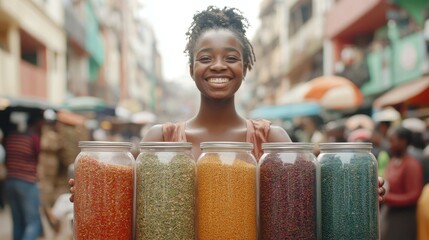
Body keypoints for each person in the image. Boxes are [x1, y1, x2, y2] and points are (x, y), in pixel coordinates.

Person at [69, 5, 385, 202]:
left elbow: (300, 205)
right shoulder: (159, 140)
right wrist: (96, 190)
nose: (218, 66)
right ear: (191, 68)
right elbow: (130, 206)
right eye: (205, 58)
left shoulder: (270, 140)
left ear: (246, 66)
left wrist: (354, 188)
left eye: (231, 58)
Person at [4, 113, 44, 240]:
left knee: (18, 221)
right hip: (27, 181)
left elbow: (6, 157)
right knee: (33, 222)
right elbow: (37, 156)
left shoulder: (9, 137)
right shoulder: (33, 137)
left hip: (10, 181)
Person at [380, 126, 423, 240]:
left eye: (392, 140)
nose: (389, 144)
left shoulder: (411, 164)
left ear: (403, 141)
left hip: (403, 218)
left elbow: (414, 196)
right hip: (389, 213)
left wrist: (387, 198)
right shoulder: (393, 160)